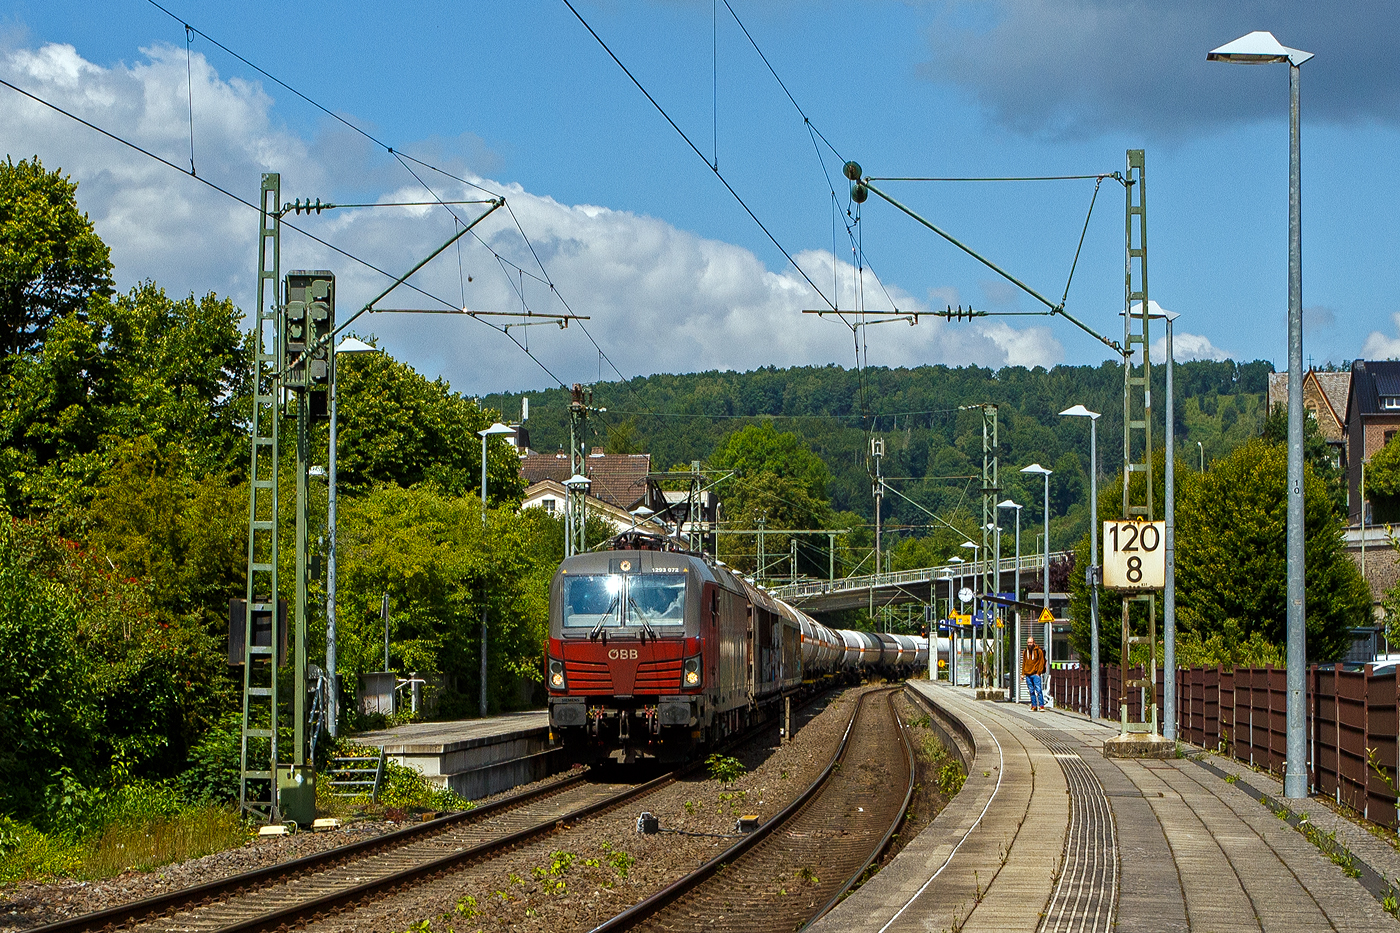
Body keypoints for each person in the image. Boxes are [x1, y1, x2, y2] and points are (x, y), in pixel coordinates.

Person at [1022, 632, 1047, 711]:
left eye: (1031, 642)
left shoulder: (1038, 651)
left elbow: (1041, 662)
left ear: (1034, 642)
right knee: (1031, 691)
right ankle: (1034, 706)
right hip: (1028, 674)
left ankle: (1041, 705)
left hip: (1035, 674)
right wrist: (1023, 674)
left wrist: (1038, 673)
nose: (1029, 644)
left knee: (1038, 690)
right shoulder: (1025, 652)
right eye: (1028, 642)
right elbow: (1024, 662)